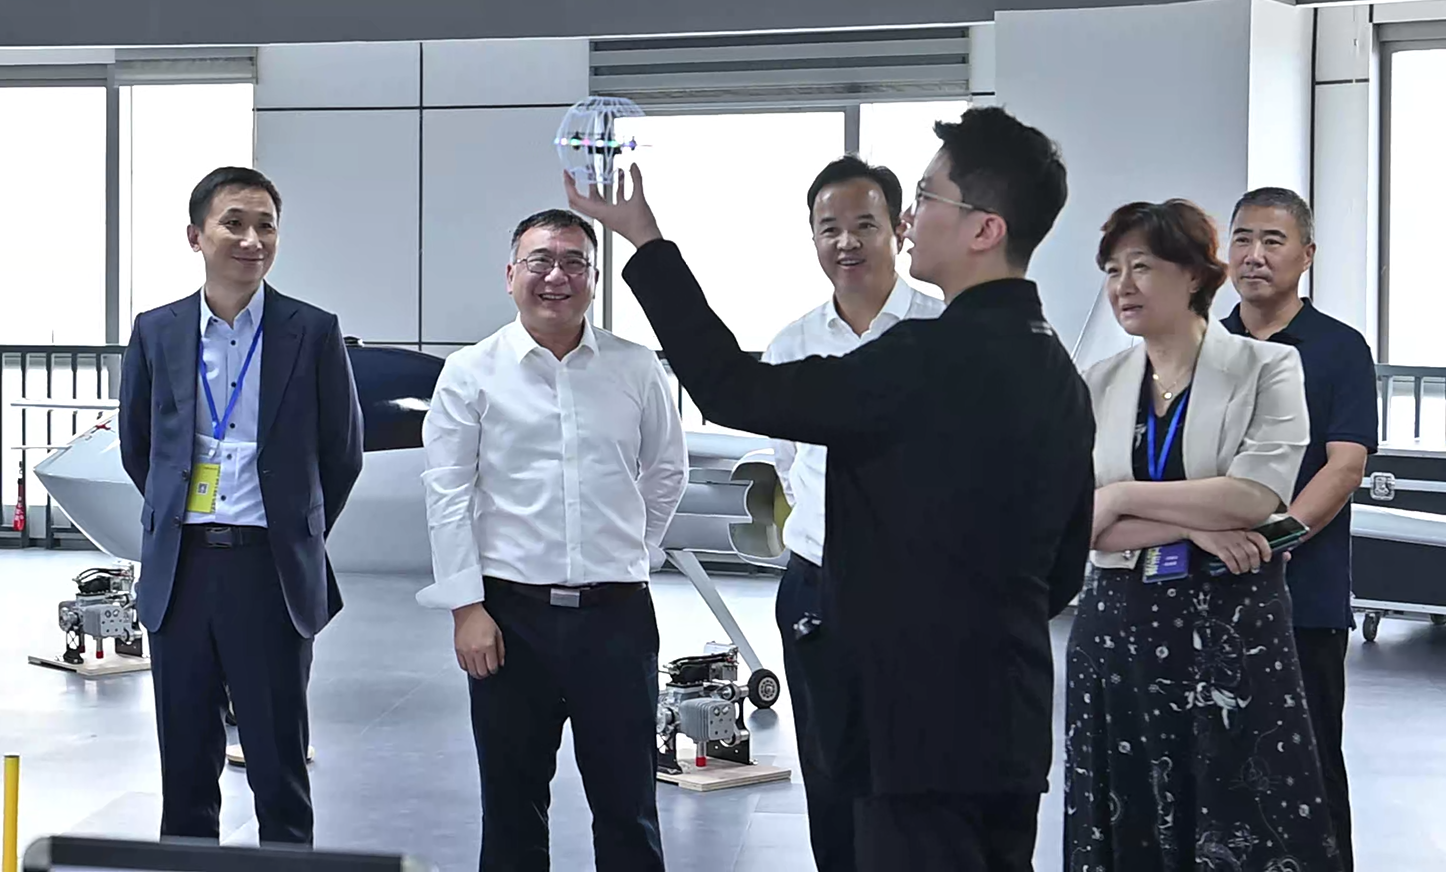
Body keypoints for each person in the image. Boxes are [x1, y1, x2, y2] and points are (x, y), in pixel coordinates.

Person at [568, 106, 1095, 871]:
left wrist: (645, 240)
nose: (912, 219)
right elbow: (1063, 568)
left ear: (985, 228)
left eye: (927, 197)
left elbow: (731, 387)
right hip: (1008, 721)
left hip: (911, 728)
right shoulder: (1058, 371)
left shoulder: (924, 358)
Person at [1066, 198, 1341, 871]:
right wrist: (1199, 527)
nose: (1122, 286)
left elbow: (1254, 497)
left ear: (1193, 274)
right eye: (1112, 270)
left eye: (1141, 267)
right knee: (1126, 816)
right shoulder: (1096, 383)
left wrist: (1121, 498)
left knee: (1245, 819)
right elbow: (1077, 521)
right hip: (1118, 627)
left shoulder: (1267, 367)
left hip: (1231, 628)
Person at [417, 209, 687, 872]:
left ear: (594, 278)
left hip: (617, 620)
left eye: (573, 262)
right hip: (510, 620)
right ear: (511, 274)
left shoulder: (635, 368)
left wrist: (632, 552)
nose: (556, 276)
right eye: (540, 260)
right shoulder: (471, 372)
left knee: (628, 807)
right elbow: (447, 494)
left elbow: (667, 471)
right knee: (511, 808)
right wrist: (466, 608)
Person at [118, 166, 365, 844]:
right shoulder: (157, 330)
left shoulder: (312, 331)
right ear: (195, 236)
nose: (252, 239)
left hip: (270, 570)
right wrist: (177, 518)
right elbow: (140, 447)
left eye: (266, 226)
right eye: (234, 223)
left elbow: (341, 454)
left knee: (278, 766)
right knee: (185, 769)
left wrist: (294, 531)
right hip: (182, 570)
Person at [762, 155, 945, 872]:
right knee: (830, 768)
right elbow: (790, 464)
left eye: (864, 224)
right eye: (829, 227)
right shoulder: (793, 346)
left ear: (899, 229)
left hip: (923, 587)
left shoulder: (943, 330)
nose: (847, 242)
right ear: (812, 238)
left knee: (922, 768)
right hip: (818, 583)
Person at [1223, 187, 1376, 870]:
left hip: (1302, 599)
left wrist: (1270, 542)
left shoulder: (1340, 349)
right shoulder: (1204, 344)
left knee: (1307, 772)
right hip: (1205, 593)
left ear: (1306, 255)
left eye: (1272, 241)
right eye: (1242, 239)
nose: (1254, 255)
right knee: (1216, 771)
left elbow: (1345, 467)